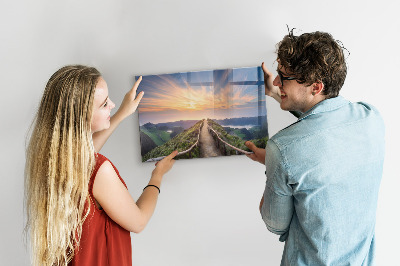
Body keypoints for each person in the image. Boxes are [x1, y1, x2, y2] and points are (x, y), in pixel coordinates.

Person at [245, 30, 385, 265]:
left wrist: (273, 163)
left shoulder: (282, 148)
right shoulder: (371, 118)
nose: (277, 81)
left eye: (283, 77)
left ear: (316, 87)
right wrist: (277, 94)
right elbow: (324, 126)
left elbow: (274, 224)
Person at [24, 65, 177, 266]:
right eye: (105, 104)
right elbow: (138, 221)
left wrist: (122, 113)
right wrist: (157, 175)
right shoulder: (99, 170)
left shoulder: (52, 160)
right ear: (81, 117)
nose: (112, 104)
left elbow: (85, 156)